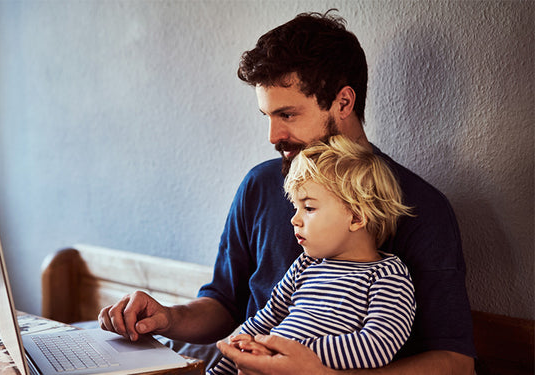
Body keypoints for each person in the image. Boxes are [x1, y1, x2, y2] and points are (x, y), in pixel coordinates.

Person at [98, 9, 476, 374]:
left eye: (288, 115)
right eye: (268, 116)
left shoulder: (416, 207)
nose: (273, 136)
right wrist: (167, 317)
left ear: (343, 102)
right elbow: (224, 305)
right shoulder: (260, 186)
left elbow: (456, 364)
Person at [208, 135, 416, 375]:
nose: (294, 219)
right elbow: (269, 315)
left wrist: (291, 352)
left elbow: (379, 344)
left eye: (308, 208)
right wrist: (234, 346)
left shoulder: (387, 276)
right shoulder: (305, 264)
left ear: (356, 217)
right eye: (296, 207)